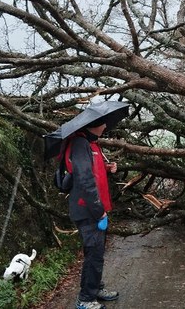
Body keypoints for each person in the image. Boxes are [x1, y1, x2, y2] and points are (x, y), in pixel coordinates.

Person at [66, 118, 119, 309]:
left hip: (97, 210)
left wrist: (107, 167)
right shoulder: (80, 144)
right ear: (94, 124)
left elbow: (92, 169)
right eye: (103, 123)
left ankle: (95, 289)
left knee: (97, 253)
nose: (106, 126)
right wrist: (99, 212)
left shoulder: (91, 144)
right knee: (93, 254)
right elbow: (84, 179)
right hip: (88, 211)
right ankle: (85, 299)